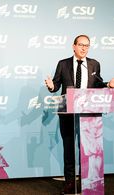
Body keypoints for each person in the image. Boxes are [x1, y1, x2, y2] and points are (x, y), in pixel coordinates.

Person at [45, 34, 114, 194]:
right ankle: (69, 184)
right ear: (74, 46)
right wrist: (51, 86)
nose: (84, 48)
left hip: (89, 115)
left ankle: (86, 181)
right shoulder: (63, 64)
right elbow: (56, 86)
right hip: (68, 113)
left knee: (86, 150)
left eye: (87, 45)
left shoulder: (94, 64)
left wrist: (108, 85)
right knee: (69, 149)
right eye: (81, 45)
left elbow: (97, 83)